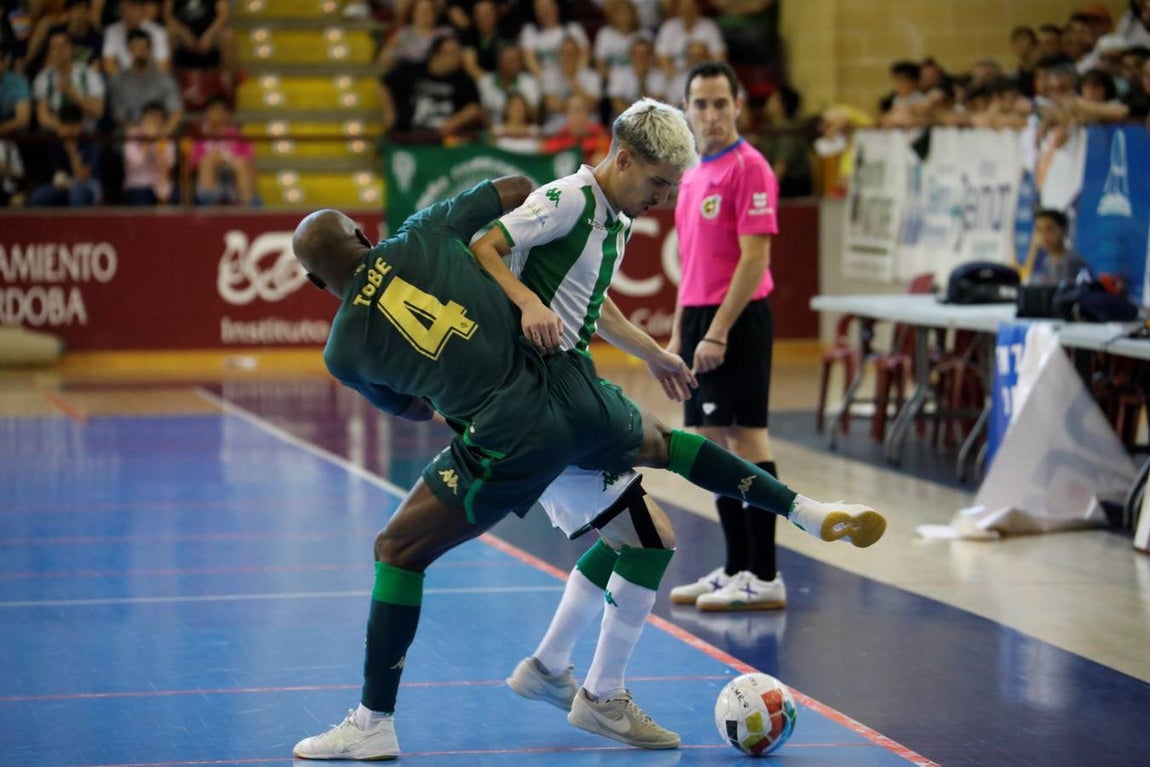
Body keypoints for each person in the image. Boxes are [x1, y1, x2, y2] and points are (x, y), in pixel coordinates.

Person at [289, 177, 886, 760]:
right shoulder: (433, 230)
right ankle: (803, 510)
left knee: (398, 550)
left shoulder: (343, 350)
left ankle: (379, 721)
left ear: (317, 280)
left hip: (508, 439)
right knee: (667, 460)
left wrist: (452, 379)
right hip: (567, 384)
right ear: (365, 235)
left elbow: (415, 411)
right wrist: (518, 259)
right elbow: (514, 186)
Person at [472, 98, 698, 749]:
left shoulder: (614, 217)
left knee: (635, 533)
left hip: (560, 397)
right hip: (539, 399)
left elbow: (589, 302)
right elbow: (483, 245)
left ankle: (548, 667)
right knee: (650, 537)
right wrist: (526, 301)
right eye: (657, 182)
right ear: (623, 158)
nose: (662, 197)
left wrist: (653, 352)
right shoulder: (567, 198)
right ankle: (600, 695)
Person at [666, 61, 788, 612]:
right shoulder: (691, 172)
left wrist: (716, 332)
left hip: (736, 318)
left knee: (746, 439)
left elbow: (754, 257)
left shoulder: (750, 168)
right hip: (697, 317)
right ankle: (735, 566)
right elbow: (689, 265)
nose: (711, 114)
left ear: (737, 105)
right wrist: (676, 337)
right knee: (711, 444)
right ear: (687, 110)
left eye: (720, 103)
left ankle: (764, 575)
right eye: (701, 104)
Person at [1022, 208, 1091, 286]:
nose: (1043, 235)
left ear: (1063, 231)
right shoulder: (1045, 262)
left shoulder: (1074, 262)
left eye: (1049, 229)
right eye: (1039, 229)